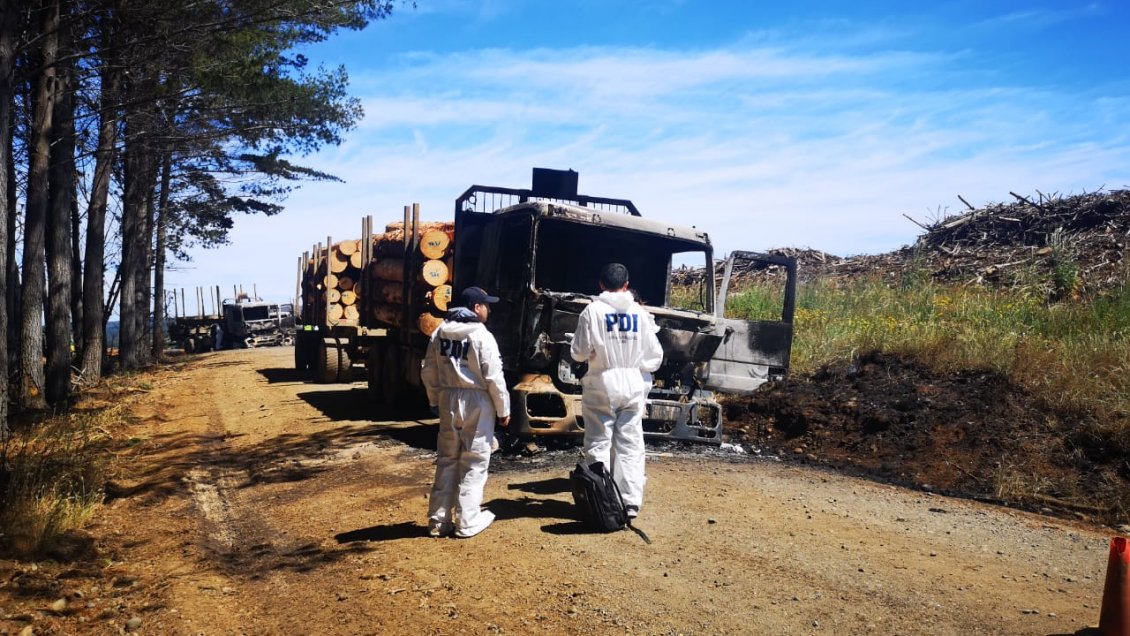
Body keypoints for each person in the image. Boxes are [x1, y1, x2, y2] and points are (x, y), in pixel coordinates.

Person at [570, 263, 663, 519]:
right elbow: (655, 356)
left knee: (599, 441)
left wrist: (599, 355)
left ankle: (601, 501)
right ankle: (630, 503)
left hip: (602, 382)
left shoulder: (592, 311)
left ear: (601, 285)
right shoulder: (640, 313)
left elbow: (578, 352)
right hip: (633, 384)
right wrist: (633, 366)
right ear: (626, 285)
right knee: (630, 443)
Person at [421, 286, 511, 538]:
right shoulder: (481, 335)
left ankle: (438, 521)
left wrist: (434, 399)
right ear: (475, 308)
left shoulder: (439, 332)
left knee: (447, 458)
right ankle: (467, 520)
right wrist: (503, 409)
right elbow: (494, 377)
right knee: (475, 460)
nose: (489, 309)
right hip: (477, 400)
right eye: (486, 305)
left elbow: (428, 370)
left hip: (449, 398)